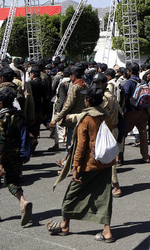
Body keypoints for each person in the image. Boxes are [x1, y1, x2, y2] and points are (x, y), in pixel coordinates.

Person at [48, 86, 116, 241]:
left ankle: (65, 225)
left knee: (71, 195)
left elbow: (81, 146)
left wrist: (75, 167)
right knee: (104, 197)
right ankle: (107, 231)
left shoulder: (86, 119)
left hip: (88, 165)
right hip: (105, 162)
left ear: (88, 101)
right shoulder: (106, 116)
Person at [0, 88, 33, 226]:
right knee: (12, 180)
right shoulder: (19, 115)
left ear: (0, 103)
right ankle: (23, 201)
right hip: (14, 154)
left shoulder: (0, 119)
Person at [119, 63, 150, 163]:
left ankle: (119, 158)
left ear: (130, 71)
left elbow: (125, 96)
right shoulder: (143, 81)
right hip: (143, 111)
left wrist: (122, 109)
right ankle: (146, 156)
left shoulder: (129, 82)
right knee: (143, 134)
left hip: (131, 112)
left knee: (122, 134)